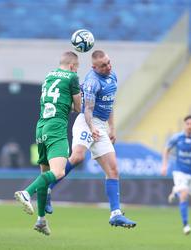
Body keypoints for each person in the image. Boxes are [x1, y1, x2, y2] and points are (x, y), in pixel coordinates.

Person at [45, 50, 136, 228]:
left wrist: (112, 127)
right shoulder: (92, 82)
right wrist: (93, 127)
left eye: (109, 62)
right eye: (103, 65)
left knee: (113, 170)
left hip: (101, 125)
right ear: (94, 67)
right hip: (87, 122)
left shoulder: (113, 76)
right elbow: (87, 110)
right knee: (78, 156)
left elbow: (109, 103)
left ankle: (115, 214)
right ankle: (47, 187)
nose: (108, 66)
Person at [14, 51, 81, 235]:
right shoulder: (72, 76)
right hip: (56, 127)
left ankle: (41, 220)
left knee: (45, 175)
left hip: (41, 127)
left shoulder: (49, 75)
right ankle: (26, 192)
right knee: (58, 172)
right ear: (73, 66)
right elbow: (78, 107)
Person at [161, 114, 191, 235]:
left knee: (186, 195)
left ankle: (175, 191)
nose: (189, 126)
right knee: (184, 194)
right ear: (184, 125)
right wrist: (164, 165)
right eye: (187, 124)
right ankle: (186, 225)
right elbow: (166, 149)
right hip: (179, 171)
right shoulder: (177, 137)